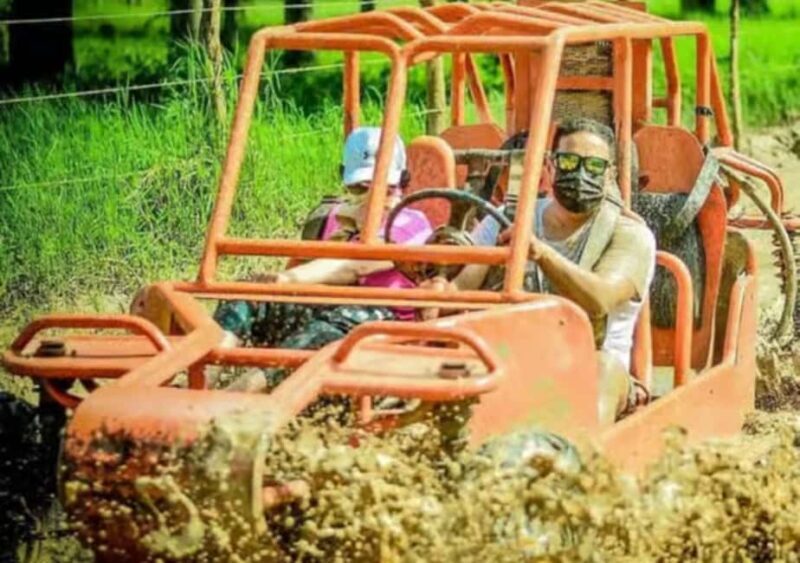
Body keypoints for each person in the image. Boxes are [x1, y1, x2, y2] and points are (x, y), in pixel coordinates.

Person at [452, 118, 656, 424]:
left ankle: (579, 454)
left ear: (610, 174)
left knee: (601, 372)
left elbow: (600, 297)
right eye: (570, 161)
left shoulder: (629, 235)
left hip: (589, 363)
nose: (581, 173)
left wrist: (540, 252)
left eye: (595, 166)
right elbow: (461, 288)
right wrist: (439, 288)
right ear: (550, 165)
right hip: (508, 355)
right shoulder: (510, 218)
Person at [212, 126, 433, 391]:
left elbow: (355, 264)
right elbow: (310, 264)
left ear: (402, 183)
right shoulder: (336, 218)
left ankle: (238, 399)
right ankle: (201, 373)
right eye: (361, 188)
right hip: (331, 306)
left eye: (385, 189)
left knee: (319, 332)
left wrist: (289, 279)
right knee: (249, 297)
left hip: (384, 321)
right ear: (346, 181)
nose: (372, 197)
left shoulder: (411, 223)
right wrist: (272, 288)